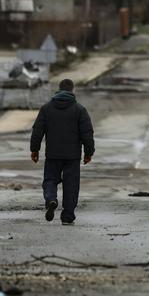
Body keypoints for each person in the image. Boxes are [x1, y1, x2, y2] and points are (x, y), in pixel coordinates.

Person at [30, 79, 95, 225]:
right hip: (72, 156)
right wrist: (89, 152)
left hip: (52, 154)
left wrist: (34, 150)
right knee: (71, 185)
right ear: (72, 90)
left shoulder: (46, 109)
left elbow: (37, 131)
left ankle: (51, 199)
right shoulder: (79, 110)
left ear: (58, 90)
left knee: (50, 180)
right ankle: (67, 216)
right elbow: (87, 133)